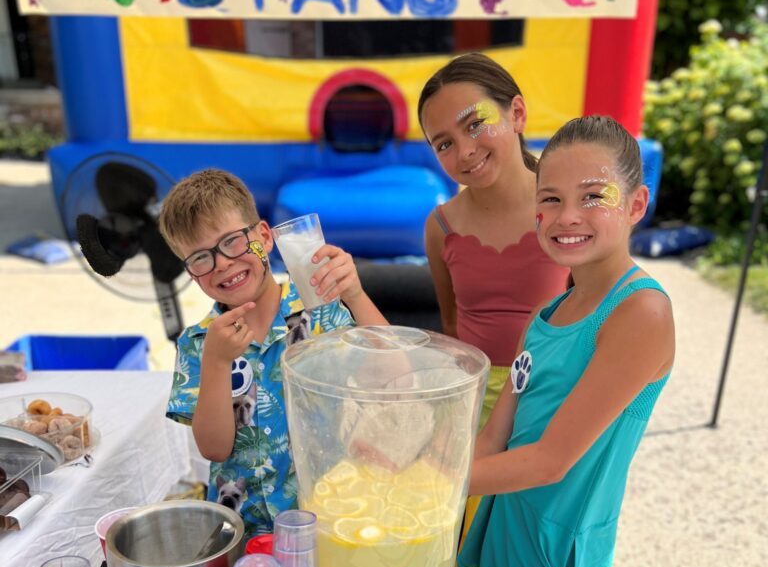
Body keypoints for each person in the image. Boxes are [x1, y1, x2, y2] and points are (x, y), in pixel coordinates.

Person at [458, 116, 676, 567]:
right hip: (505, 525)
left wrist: (424, 484)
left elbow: (550, 462)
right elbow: (492, 439)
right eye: (551, 199)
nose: (567, 216)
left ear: (636, 205)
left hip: (556, 549)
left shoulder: (640, 313)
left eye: (593, 196)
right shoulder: (545, 316)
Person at [160, 169, 386, 534]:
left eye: (232, 241)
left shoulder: (318, 309)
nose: (222, 263)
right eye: (200, 258)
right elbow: (214, 449)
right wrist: (217, 362)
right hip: (242, 533)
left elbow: (393, 375)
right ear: (191, 272)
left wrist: (355, 295)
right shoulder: (198, 342)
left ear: (264, 238)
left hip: (329, 519)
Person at [418, 52, 570, 427]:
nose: (465, 151)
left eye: (475, 124)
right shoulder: (441, 226)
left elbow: (601, 313)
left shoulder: (567, 212)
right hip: (472, 401)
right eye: (444, 144)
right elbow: (452, 325)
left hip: (552, 396)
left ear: (516, 113)